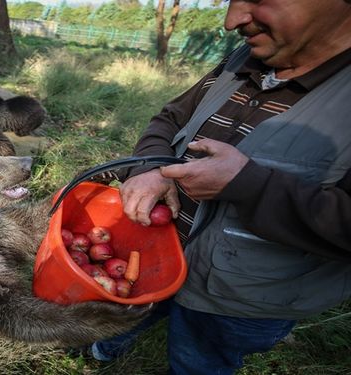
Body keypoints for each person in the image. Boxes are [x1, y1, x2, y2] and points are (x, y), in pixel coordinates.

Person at [90, 0, 351, 373]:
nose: (232, 21)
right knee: (131, 310)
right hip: (159, 252)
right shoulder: (244, 57)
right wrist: (149, 168)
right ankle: (108, 349)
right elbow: (170, 118)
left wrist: (248, 186)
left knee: (201, 357)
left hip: (241, 301)